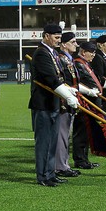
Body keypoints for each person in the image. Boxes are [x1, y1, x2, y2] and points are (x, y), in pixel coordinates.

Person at [29, 23, 79, 187]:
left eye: (59, 37)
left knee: (52, 141)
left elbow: (60, 77)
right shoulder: (42, 54)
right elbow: (50, 79)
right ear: (46, 36)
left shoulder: (53, 53)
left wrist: (68, 90)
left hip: (54, 103)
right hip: (43, 103)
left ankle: (51, 173)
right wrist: (67, 95)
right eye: (56, 37)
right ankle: (42, 175)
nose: (59, 40)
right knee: (44, 142)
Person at [55, 32, 81, 178]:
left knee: (66, 135)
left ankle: (64, 164)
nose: (76, 45)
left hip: (70, 99)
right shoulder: (61, 59)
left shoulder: (69, 59)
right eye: (73, 42)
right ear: (64, 44)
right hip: (63, 101)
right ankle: (60, 166)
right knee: (62, 135)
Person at [72, 41, 101, 170]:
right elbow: (78, 82)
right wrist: (90, 91)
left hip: (92, 102)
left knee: (87, 132)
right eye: (92, 52)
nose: (93, 55)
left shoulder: (85, 64)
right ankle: (79, 159)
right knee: (81, 131)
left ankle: (84, 159)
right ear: (84, 52)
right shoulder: (78, 63)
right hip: (85, 102)